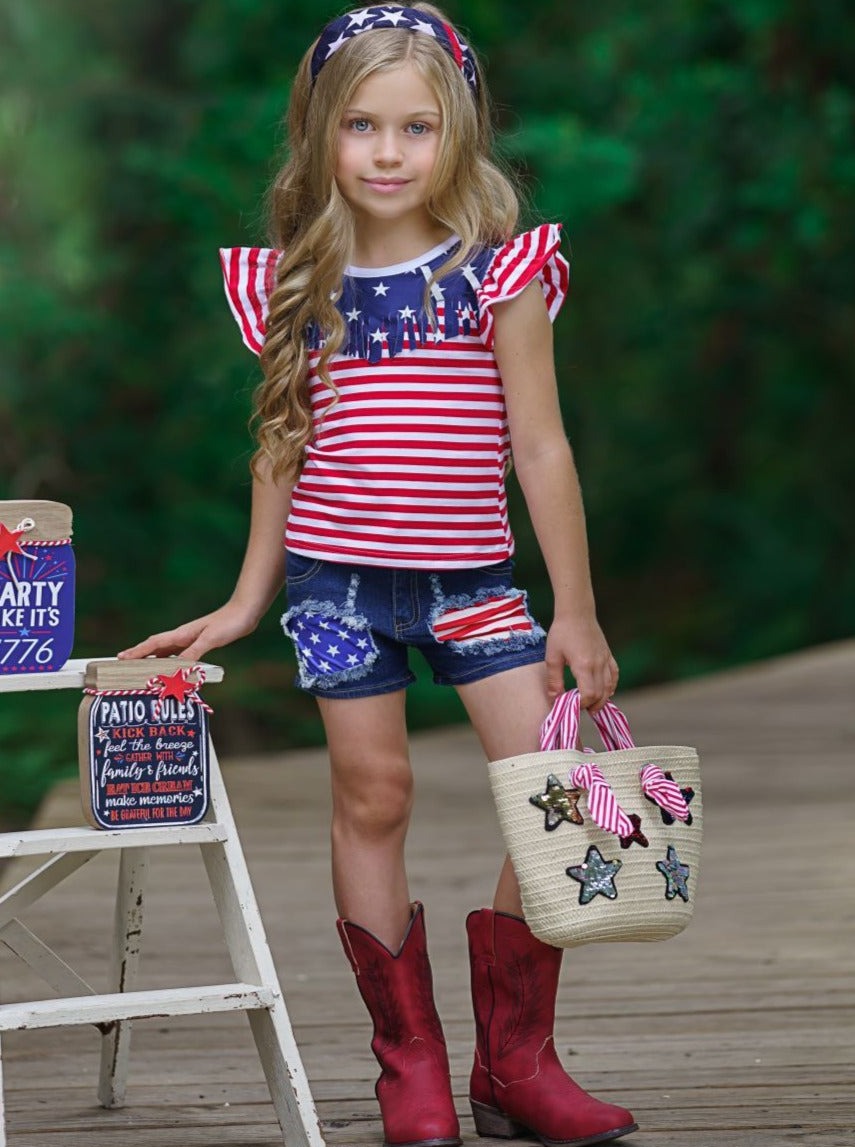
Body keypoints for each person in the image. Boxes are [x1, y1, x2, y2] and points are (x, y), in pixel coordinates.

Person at [120, 6, 637, 1145]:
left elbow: (541, 446)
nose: (389, 152)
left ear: (459, 132)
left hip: (476, 584)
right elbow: (281, 445)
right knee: (373, 796)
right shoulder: (297, 280)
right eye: (361, 125)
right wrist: (248, 597)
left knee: (559, 791)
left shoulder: (498, 271)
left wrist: (577, 609)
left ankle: (516, 1061)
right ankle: (410, 1065)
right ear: (319, 133)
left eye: (416, 126)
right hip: (337, 589)